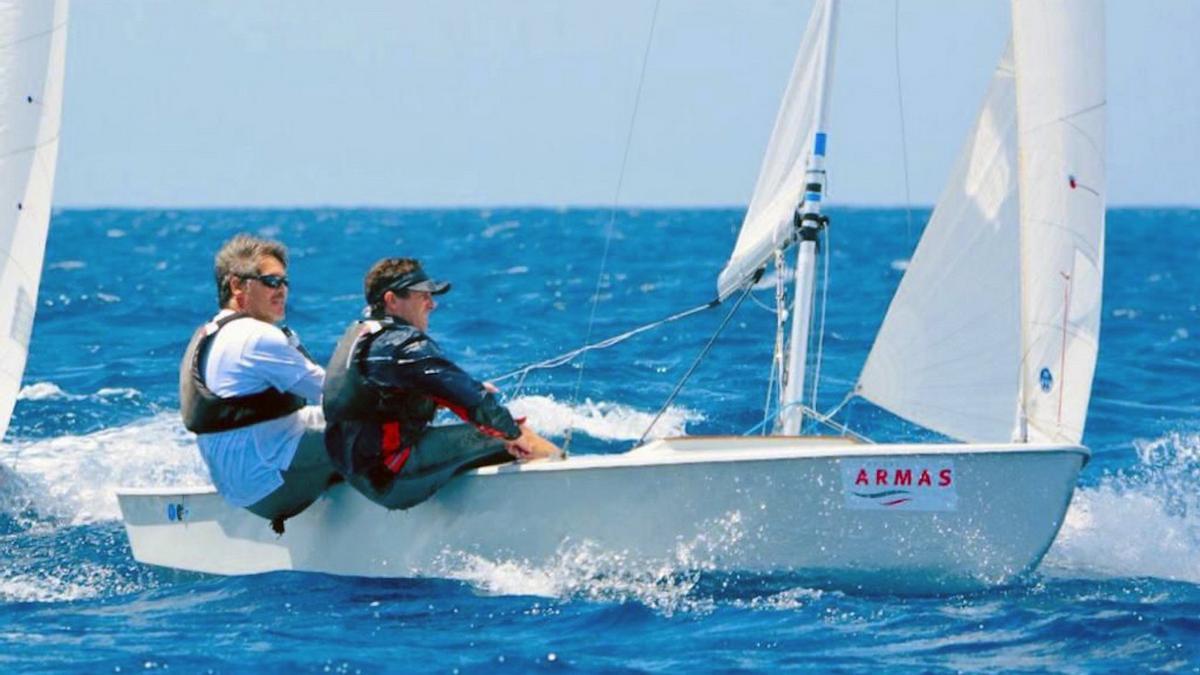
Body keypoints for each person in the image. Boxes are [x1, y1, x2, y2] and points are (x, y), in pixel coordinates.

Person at [323, 257, 560, 510]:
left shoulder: (362, 336)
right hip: (390, 477)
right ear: (392, 300)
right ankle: (567, 494)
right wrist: (512, 433)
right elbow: (474, 403)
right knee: (518, 434)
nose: (432, 304)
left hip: (356, 473)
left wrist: (448, 396)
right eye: (423, 296)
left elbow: (375, 403)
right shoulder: (403, 344)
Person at [179, 234, 335, 531]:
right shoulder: (256, 336)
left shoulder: (211, 332)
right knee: (372, 430)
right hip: (269, 484)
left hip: (237, 482)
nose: (282, 290)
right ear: (237, 285)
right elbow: (336, 393)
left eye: (284, 282)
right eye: (271, 282)